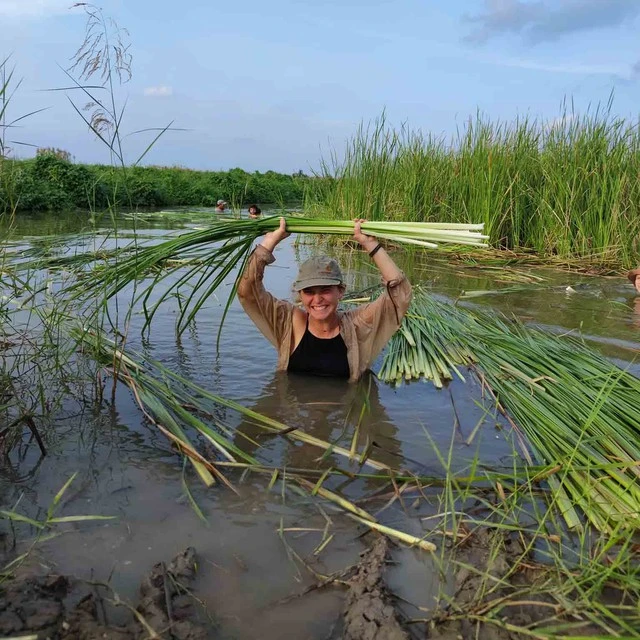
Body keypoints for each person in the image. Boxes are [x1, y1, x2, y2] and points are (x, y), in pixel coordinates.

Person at [237, 218, 412, 381]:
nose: (317, 299)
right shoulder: (290, 323)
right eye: (309, 292)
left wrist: (371, 244)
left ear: (341, 291)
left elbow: (400, 295)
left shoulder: (358, 325)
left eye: (326, 290)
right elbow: (247, 292)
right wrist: (269, 242)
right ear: (300, 294)